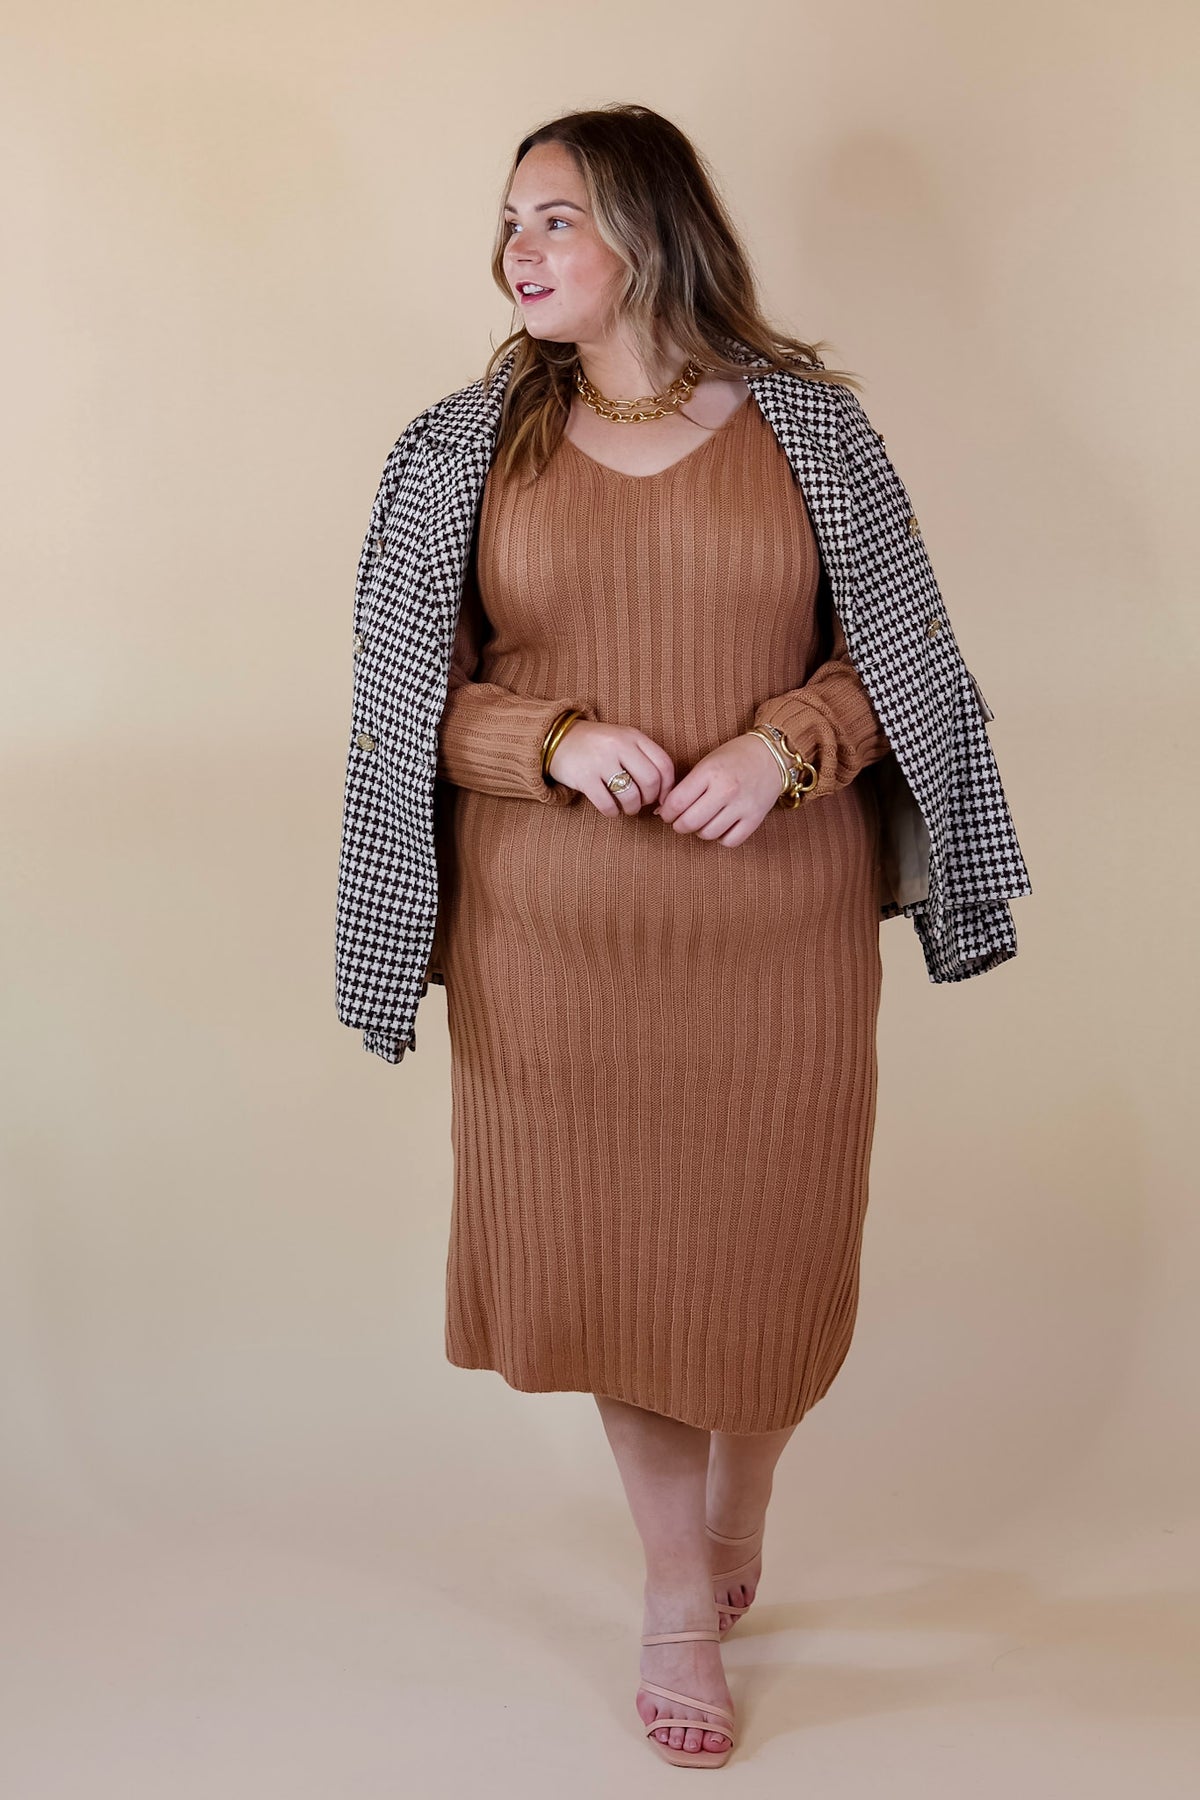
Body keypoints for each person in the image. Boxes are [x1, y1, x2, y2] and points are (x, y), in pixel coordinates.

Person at [346, 103, 1024, 1770]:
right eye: (511, 219)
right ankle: (672, 1595)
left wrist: (787, 746)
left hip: (772, 933)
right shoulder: (458, 448)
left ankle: (743, 1506)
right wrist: (553, 740)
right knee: (618, 1266)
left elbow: (909, 665)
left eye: (558, 216)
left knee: (765, 1261)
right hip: (554, 947)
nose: (520, 248)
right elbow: (399, 705)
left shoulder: (811, 429)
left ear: (652, 228)